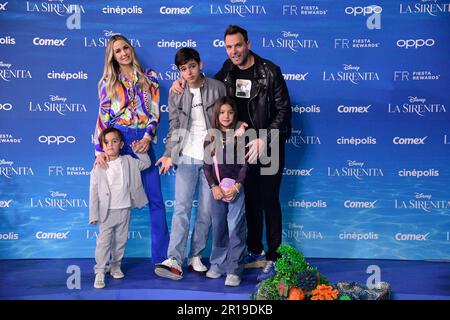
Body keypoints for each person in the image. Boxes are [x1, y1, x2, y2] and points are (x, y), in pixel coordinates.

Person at [171, 25, 291, 282]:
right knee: (247, 201)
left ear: (247, 43)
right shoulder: (227, 70)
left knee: (269, 200)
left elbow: (283, 113)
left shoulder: (269, 71)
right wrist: (183, 81)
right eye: (229, 46)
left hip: (267, 145)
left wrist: (263, 138)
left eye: (238, 45)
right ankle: (254, 251)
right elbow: (204, 85)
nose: (234, 51)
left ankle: (273, 257)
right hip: (237, 148)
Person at [93, 35, 169, 266]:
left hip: (143, 141)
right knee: (113, 202)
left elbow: (155, 113)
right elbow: (103, 119)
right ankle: (106, 261)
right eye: (117, 51)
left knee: (155, 199)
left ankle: (162, 259)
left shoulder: (150, 78)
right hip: (118, 141)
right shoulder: (107, 82)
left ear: (131, 49)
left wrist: (147, 137)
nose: (123, 53)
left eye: (125, 47)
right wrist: (100, 151)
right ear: (112, 56)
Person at [153, 48, 227, 280]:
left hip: (211, 157)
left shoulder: (218, 88)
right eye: (183, 69)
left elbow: (226, 119)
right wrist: (168, 154)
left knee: (206, 211)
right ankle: (174, 258)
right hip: (185, 156)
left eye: (192, 66)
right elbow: (174, 125)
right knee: (181, 209)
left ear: (200, 64)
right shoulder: (176, 92)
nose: (188, 72)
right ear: (179, 72)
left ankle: (196, 255)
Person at [89, 127, 150, 289]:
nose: (110, 145)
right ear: (102, 146)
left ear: (121, 144)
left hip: (125, 209)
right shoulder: (98, 166)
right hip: (106, 212)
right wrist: (93, 214)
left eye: (114, 141)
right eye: (106, 142)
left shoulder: (129, 161)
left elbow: (146, 163)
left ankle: (115, 265)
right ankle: (100, 270)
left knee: (120, 241)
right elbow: (93, 193)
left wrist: (139, 151)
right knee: (103, 242)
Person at [203, 96, 248, 286]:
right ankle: (217, 264)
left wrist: (238, 186)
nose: (226, 116)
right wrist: (214, 187)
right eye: (222, 112)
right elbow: (206, 166)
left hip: (235, 190)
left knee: (235, 228)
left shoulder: (241, 136)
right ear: (216, 115)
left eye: (230, 112)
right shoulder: (210, 136)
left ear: (234, 114)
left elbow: (245, 166)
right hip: (217, 192)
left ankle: (234, 269)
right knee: (219, 226)